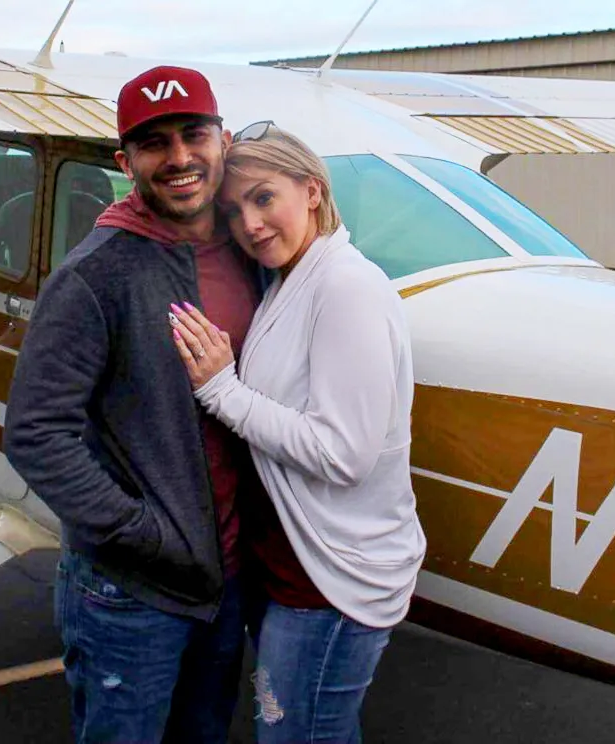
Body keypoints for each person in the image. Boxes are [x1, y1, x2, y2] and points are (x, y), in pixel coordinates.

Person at [4, 66, 264, 744]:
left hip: (227, 576)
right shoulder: (94, 275)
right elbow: (36, 433)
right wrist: (143, 534)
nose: (178, 158)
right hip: (131, 589)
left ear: (223, 140)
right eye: (154, 144)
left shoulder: (255, 255)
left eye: (192, 135)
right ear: (125, 162)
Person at [169, 123, 427, 743]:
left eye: (264, 198)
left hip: (329, 580)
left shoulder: (345, 286)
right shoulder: (293, 277)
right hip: (290, 567)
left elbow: (343, 454)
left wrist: (220, 390)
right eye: (233, 211)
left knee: (296, 736)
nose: (250, 225)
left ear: (311, 190)